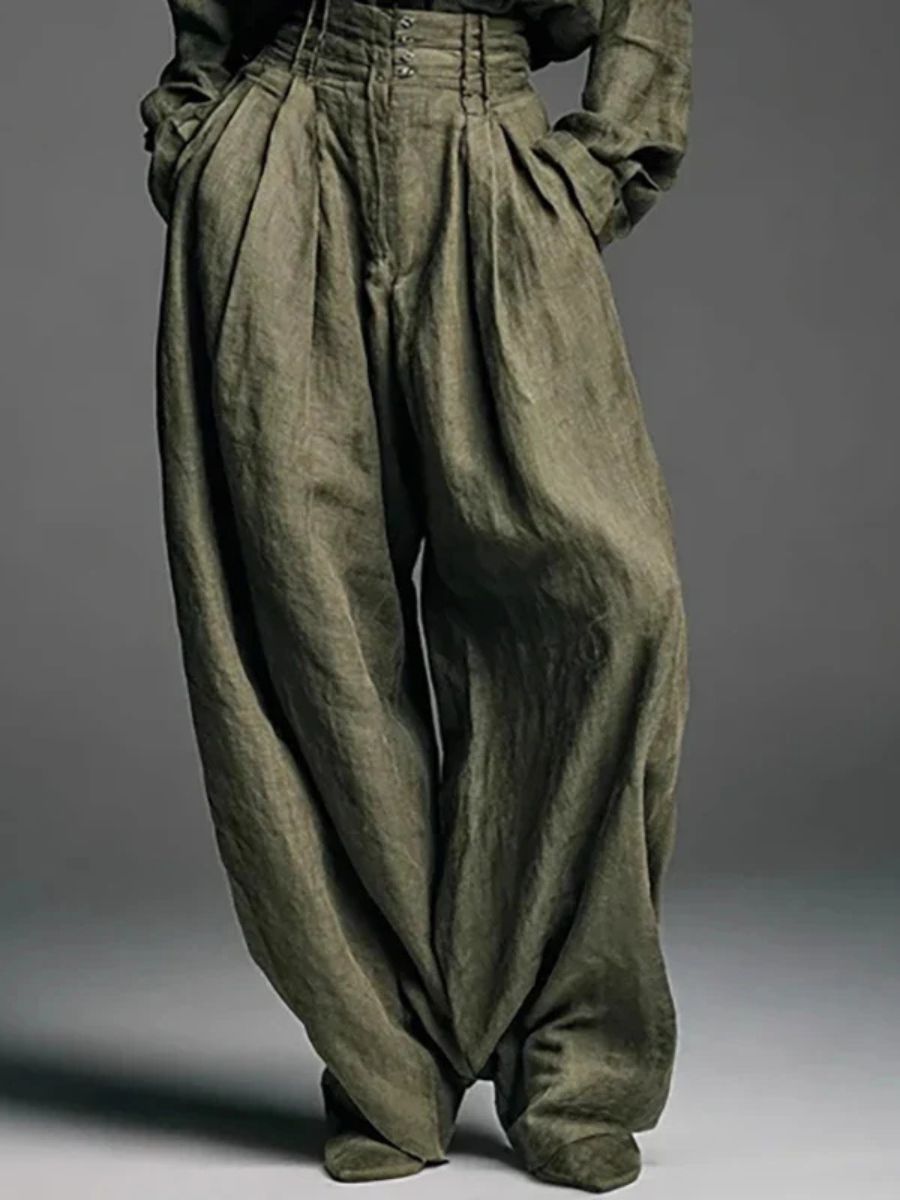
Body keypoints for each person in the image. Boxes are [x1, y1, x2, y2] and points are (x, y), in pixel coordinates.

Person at [139, 0, 693, 1191]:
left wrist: (597, 170)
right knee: (311, 628)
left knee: (614, 598)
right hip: (287, 144)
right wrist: (197, 134)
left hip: (487, 144)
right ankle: (388, 1061)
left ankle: (571, 1059)